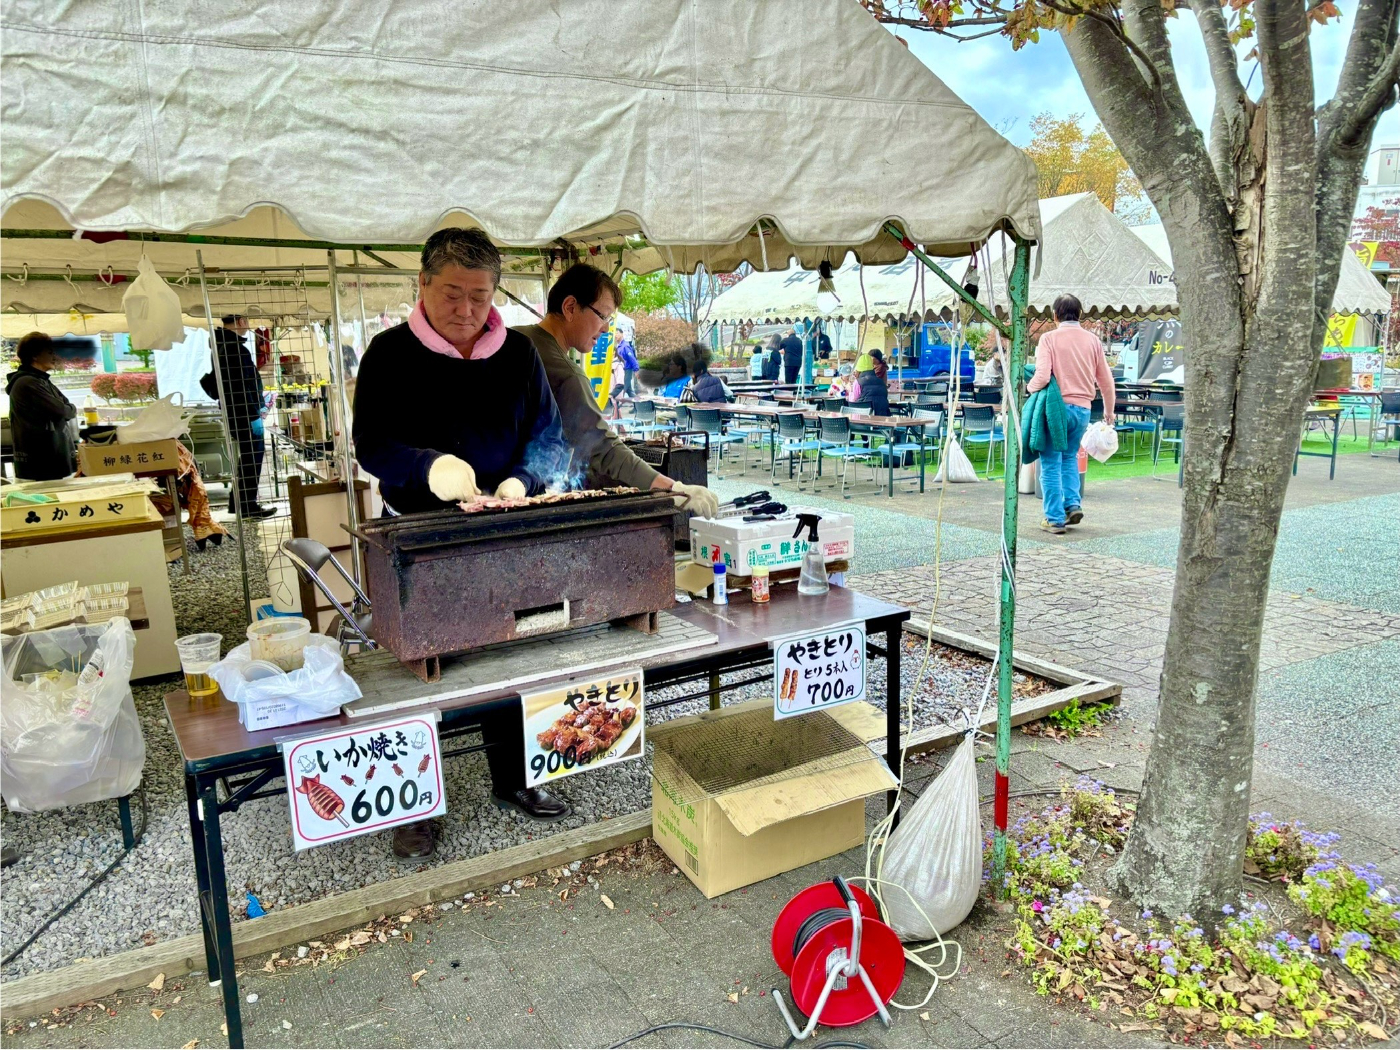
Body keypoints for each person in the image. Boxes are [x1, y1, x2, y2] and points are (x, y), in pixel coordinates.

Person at [353, 228, 571, 851]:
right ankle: (413, 802)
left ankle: (516, 776)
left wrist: (524, 481)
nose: (467, 310)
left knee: (509, 649)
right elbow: (372, 444)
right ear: (421, 284)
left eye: (480, 296)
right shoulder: (389, 353)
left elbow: (550, 439)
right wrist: (428, 467)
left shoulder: (519, 353)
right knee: (418, 663)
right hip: (418, 530)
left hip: (501, 524)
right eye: (452, 294)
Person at [514, 264, 719, 515]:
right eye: (603, 316)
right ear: (570, 307)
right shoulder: (565, 374)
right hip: (514, 500)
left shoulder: (513, 338)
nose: (605, 328)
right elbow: (602, 446)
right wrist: (673, 489)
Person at [1027, 293, 1115, 534]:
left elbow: (1042, 376)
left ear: (1055, 315)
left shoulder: (1048, 339)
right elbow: (1106, 381)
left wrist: (1029, 388)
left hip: (1056, 408)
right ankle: (1072, 505)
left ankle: (1054, 519)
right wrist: (1108, 411)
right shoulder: (1093, 341)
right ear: (1080, 314)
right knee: (1069, 458)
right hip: (1083, 409)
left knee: (1050, 462)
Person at [213, 314, 276, 518]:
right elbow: (243, 387)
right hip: (244, 414)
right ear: (241, 321)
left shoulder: (220, 345)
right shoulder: (235, 349)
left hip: (235, 412)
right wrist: (253, 414)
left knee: (247, 457)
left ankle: (238, 503)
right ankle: (248, 505)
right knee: (252, 457)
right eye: (247, 321)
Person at [5, 332, 77, 480]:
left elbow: (66, 405)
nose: (54, 357)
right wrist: (69, 409)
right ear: (35, 356)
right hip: (41, 462)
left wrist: (69, 408)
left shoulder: (41, 380)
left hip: (50, 459)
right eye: (49, 352)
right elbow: (61, 410)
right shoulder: (28, 382)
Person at [855, 348, 890, 416]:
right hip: (879, 403)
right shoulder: (875, 368)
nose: (869, 360)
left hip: (873, 400)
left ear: (877, 359)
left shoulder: (880, 368)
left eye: (871, 358)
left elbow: (854, 398)